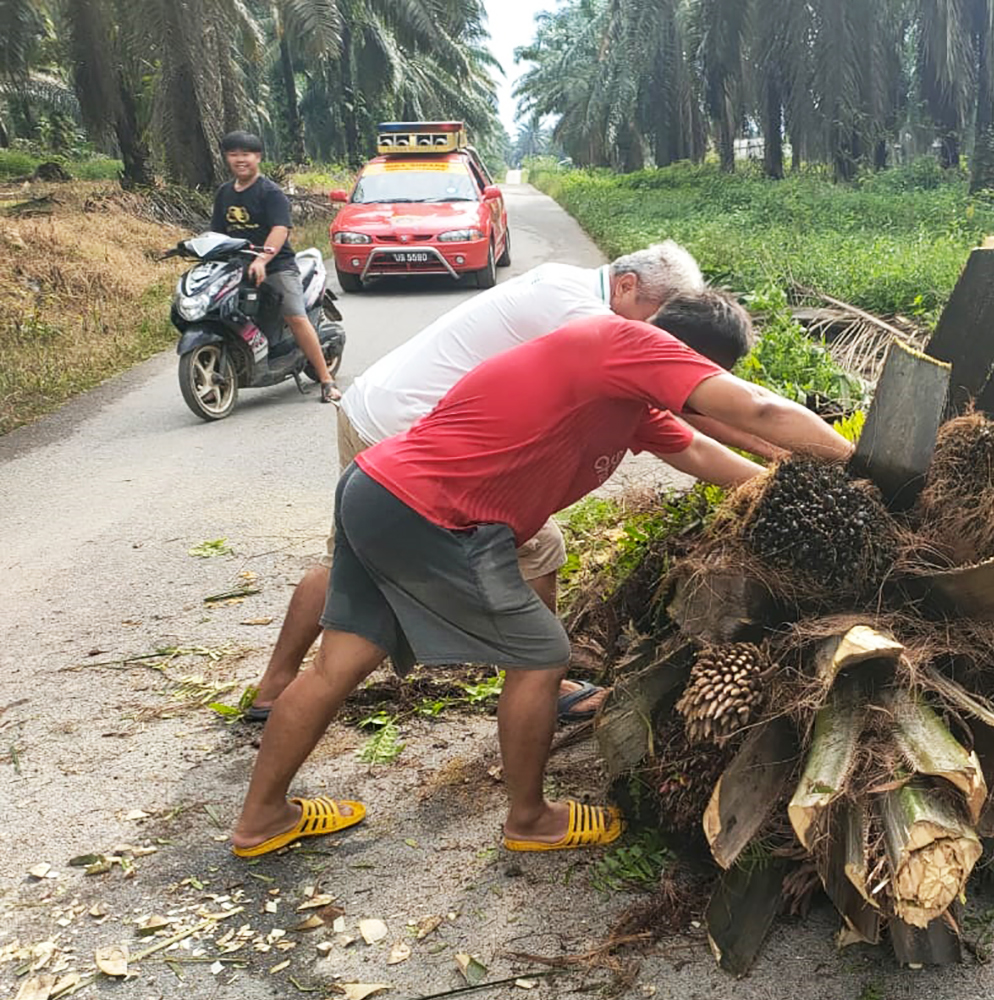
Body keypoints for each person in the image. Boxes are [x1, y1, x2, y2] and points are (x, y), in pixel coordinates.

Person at [229, 292, 852, 859]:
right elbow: (760, 410)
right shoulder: (631, 344)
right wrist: (860, 467)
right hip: (437, 512)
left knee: (338, 664)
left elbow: (692, 450)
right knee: (541, 655)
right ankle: (530, 817)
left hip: (378, 489)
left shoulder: (625, 390)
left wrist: (773, 488)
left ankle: (262, 818)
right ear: (687, 357)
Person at [243, 242, 769, 724]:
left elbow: (681, 411)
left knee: (357, 559)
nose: (660, 337)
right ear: (627, 286)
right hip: (408, 432)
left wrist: (774, 458)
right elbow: (689, 403)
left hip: (383, 409)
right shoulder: (593, 320)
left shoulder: (569, 284)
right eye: (657, 321)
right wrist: (781, 456)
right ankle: (536, 675)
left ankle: (278, 685)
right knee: (527, 548)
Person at [212, 131, 339, 404]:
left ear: (257, 157)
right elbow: (217, 234)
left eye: (245, 154)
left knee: (295, 315)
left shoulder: (270, 193)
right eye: (233, 154)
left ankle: (326, 380)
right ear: (226, 158)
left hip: (277, 266)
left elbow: (280, 229)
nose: (240, 159)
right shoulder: (224, 193)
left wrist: (262, 260)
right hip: (238, 267)